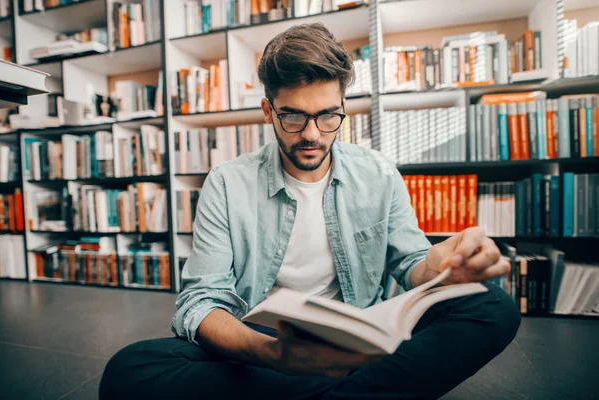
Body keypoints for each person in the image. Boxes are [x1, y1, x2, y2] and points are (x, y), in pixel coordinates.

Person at [99, 23, 521, 399]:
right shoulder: (227, 182)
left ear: (342, 108)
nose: (312, 135)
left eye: (327, 116)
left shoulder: (378, 172)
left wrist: (441, 265)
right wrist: (275, 354)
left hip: (356, 331)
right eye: (294, 117)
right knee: (129, 371)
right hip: (266, 340)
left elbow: (410, 263)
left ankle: (319, 384)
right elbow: (199, 302)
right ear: (268, 111)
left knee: (492, 306)